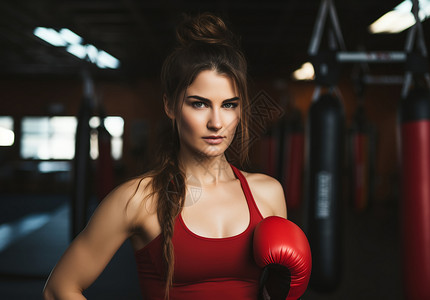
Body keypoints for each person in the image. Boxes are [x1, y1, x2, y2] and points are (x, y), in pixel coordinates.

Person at [43, 13, 311, 300]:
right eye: (199, 104)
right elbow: (59, 288)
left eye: (229, 105)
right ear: (170, 105)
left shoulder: (267, 194)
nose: (216, 122)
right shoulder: (138, 199)